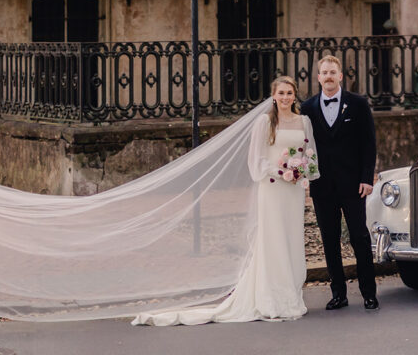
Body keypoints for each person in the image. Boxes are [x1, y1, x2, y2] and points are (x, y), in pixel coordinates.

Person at [132, 76, 317, 325]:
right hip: (272, 189)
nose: (285, 97)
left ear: (295, 96)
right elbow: (256, 161)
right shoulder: (265, 122)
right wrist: (280, 172)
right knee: (273, 241)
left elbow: (311, 155)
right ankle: (271, 298)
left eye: (289, 93)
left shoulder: (304, 122)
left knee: (292, 239)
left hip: (293, 192)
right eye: (281, 93)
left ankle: (291, 296)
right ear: (273, 96)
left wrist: (300, 171)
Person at [299, 55, 379, 311]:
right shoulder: (307, 108)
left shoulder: (358, 104)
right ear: (318, 77)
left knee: (360, 237)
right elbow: (303, 146)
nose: (329, 76)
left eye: (333, 72)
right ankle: (338, 294)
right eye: (325, 72)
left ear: (341, 76)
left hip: (354, 184)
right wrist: (305, 177)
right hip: (322, 186)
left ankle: (369, 293)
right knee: (329, 240)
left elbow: (369, 143)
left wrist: (367, 178)